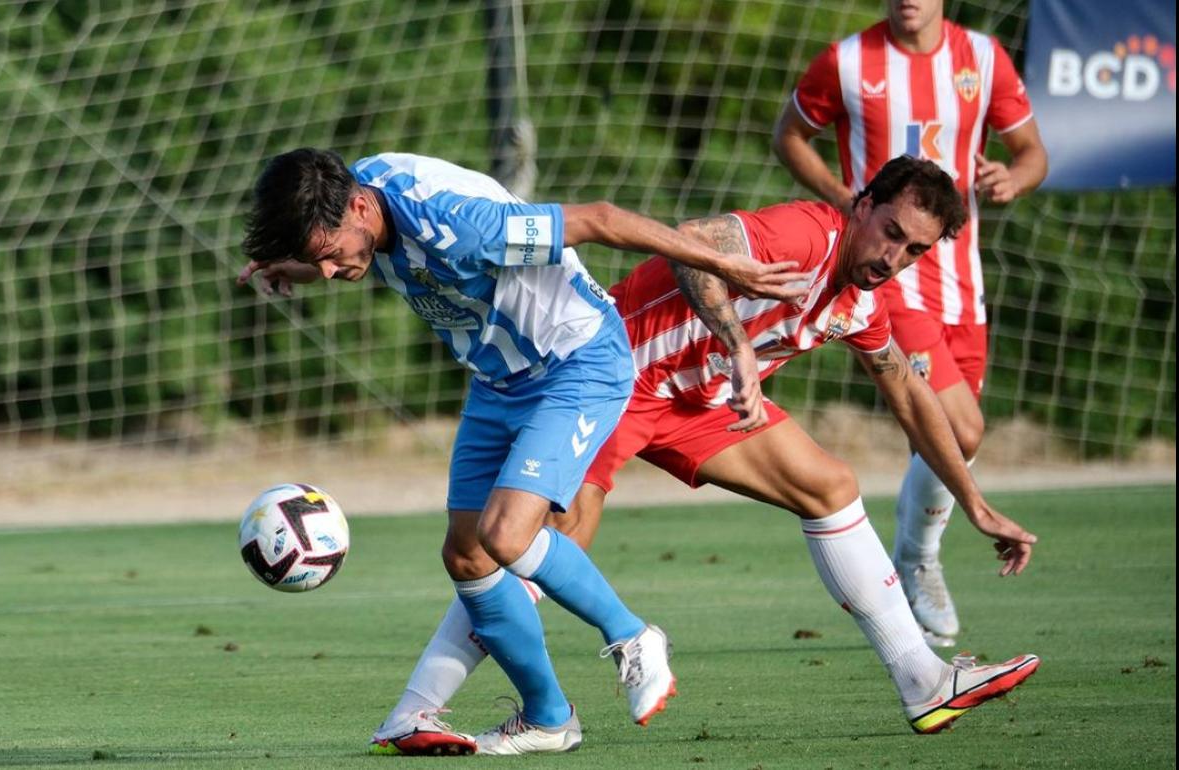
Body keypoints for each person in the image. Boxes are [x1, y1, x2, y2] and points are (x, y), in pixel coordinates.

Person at [373, 156, 1040, 746]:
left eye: (914, 250)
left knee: (830, 485)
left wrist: (975, 505)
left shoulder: (864, 302)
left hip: (698, 404)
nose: (894, 256)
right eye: (891, 232)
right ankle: (424, 708)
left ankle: (924, 679)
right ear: (861, 206)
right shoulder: (807, 234)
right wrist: (738, 342)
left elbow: (910, 396)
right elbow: (691, 243)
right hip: (619, 377)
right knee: (538, 541)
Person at [237, 149, 806, 756]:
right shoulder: (351, 198)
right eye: (315, 259)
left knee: (505, 537)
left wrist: (721, 263)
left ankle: (634, 636)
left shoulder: (459, 226)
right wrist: (291, 264)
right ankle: (549, 717)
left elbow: (602, 219)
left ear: (358, 205)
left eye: (328, 256)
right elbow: (337, 243)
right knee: (467, 557)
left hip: (576, 364)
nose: (328, 273)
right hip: (499, 379)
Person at [772, 0, 1049, 647]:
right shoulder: (848, 61)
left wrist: (1015, 177)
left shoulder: (982, 59)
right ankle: (918, 558)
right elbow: (789, 134)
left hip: (964, 286)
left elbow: (1032, 152)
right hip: (894, 281)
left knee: (957, 439)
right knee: (961, 425)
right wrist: (848, 200)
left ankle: (915, 555)